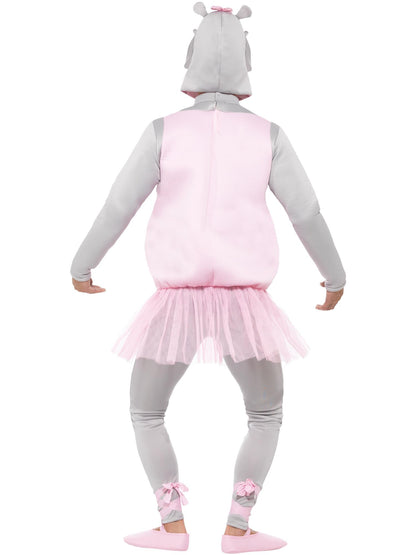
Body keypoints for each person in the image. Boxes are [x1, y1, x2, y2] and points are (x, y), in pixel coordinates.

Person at [70, 3, 345, 552]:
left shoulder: (162, 131)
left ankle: (171, 524)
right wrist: (334, 275)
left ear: (190, 57)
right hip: (248, 302)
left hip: (176, 299)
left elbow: (118, 206)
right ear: (247, 60)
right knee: (265, 413)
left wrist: (82, 263)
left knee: (146, 411)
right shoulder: (269, 135)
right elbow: (306, 212)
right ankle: (238, 527)